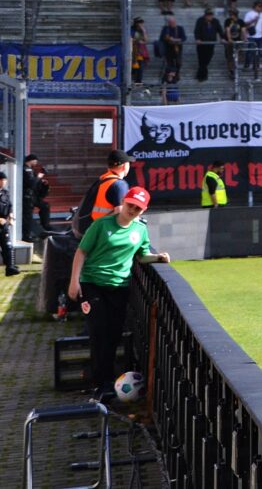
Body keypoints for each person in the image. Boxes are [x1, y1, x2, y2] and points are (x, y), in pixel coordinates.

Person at [68, 186, 170, 401]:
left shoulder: (140, 230)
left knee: (113, 335)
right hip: (92, 284)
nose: (132, 210)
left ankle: (107, 380)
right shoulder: (102, 224)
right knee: (98, 332)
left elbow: (142, 255)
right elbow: (81, 251)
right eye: (130, 205)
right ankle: (101, 384)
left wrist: (158, 257)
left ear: (144, 210)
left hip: (119, 287)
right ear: (124, 201)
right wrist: (74, 282)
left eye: (138, 208)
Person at [74, 150, 133, 236]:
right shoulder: (119, 185)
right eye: (129, 163)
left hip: (91, 229)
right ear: (124, 166)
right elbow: (121, 213)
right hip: (104, 233)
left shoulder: (102, 180)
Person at [193, 9, 220, 82]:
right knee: (201, 60)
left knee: (207, 59)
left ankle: (200, 75)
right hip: (201, 44)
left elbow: (220, 30)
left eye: (211, 15)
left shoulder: (215, 21)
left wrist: (223, 38)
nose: (210, 16)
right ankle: (202, 76)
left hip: (211, 44)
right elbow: (196, 31)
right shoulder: (200, 21)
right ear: (205, 15)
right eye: (208, 15)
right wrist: (197, 39)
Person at [0, 172, 18, 275]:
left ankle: (10, 267)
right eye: (2, 180)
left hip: (4, 224)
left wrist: (11, 217)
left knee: (7, 245)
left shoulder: (5, 193)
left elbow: (10, 206)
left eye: (4, 180)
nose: (3, 182)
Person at [129, 17, 149, 85]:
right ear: (136, 23)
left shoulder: (141, 31)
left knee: (141, 67)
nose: (141, 24)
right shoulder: (131, 30)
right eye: (140, 23)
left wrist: (144, 31)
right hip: (133, 51)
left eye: (142, 23)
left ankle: (139, 81)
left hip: (140, 52)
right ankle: (132, 80)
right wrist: (138, 41)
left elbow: (145, 40)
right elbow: (130, 39)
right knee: (133, 67)